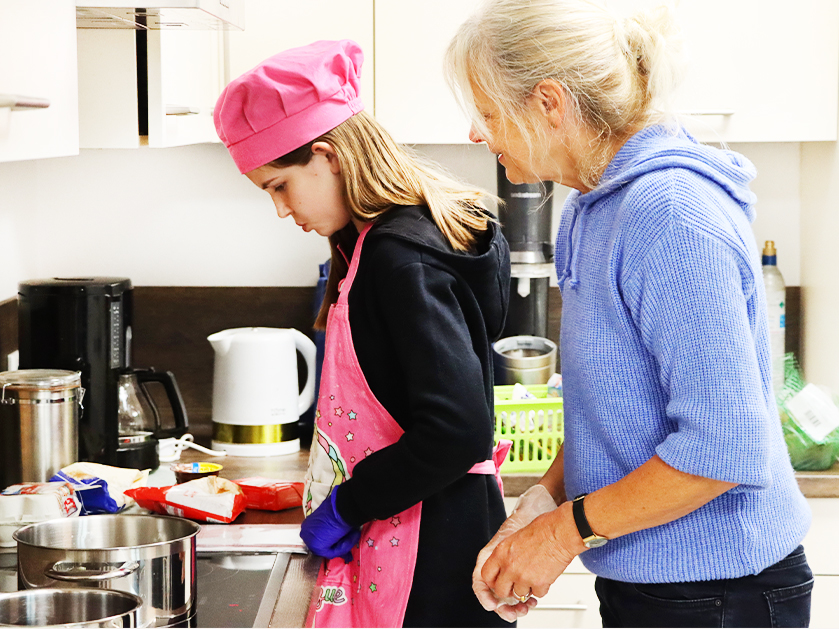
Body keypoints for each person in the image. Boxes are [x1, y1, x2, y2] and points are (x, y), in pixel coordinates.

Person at [444, 1, 814, 627]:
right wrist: (545, 499)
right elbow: (616, 409)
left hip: (722, 589)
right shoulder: (596, 208)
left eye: (487, 112)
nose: (477, 134)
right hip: (657, 581)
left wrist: (562, 534)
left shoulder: (670, 216)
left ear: (549, 103)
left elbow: (723, 447)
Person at [213, 39, 514, 628]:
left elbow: (456, 430)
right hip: (433, 529)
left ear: (328, 156)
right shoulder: (402, 240)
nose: (281, 210)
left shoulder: (401, 260)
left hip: (424, 554)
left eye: (279, 186)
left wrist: (349, 504)